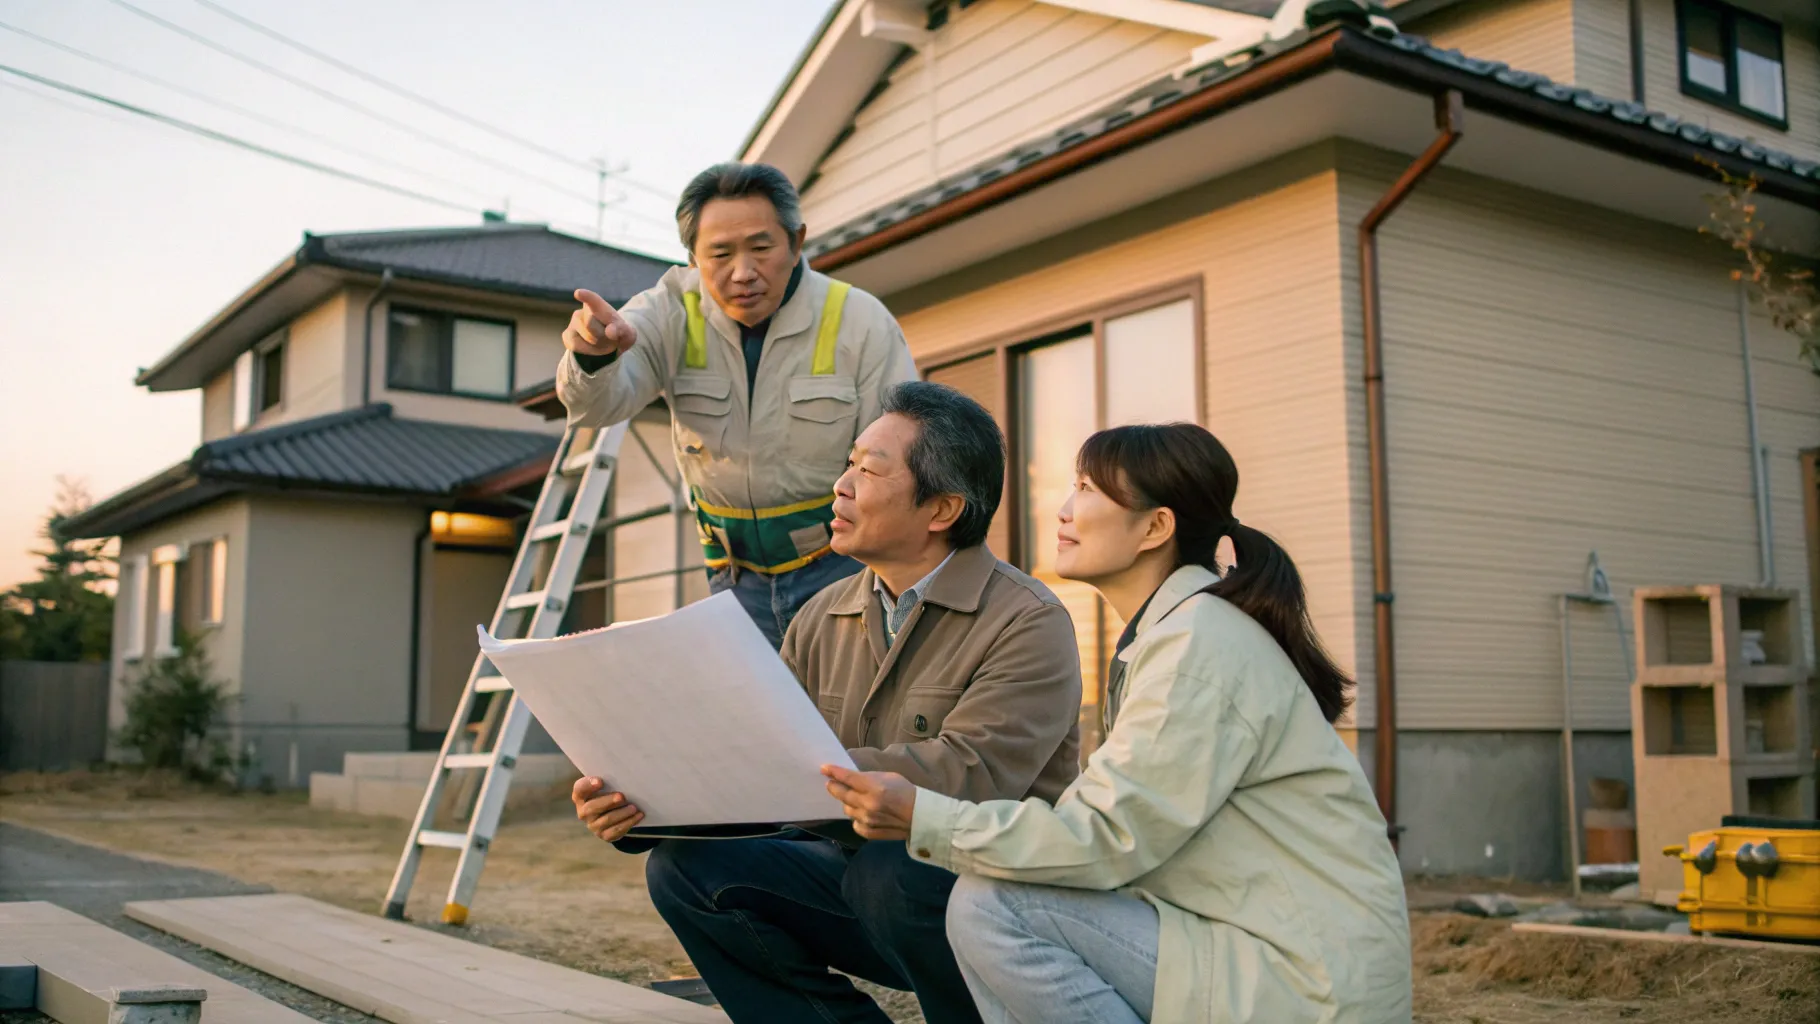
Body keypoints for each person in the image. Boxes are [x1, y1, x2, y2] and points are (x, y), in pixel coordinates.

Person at [823, 422, 1413, 1024]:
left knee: (994, 908)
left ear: (1156, 528)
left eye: (1087, 489)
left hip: (1303, 983)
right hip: (1254, 951)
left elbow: (1104, 837)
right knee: (991, 902)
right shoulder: (1176, 634)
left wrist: (923, 815)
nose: (1063, 510)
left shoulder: (1198, 647)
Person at [572, 382, 1083, 1024]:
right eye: (848, 464)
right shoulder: (820, 616)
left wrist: (784, 766)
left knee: (893, 866)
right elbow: (763, 767)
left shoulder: (1027, 620)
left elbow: (972, 778)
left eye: (868, 471)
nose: (840, 486)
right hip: (861, 887)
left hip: (992, 901)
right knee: (686, 869)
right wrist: (644, 805)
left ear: (942, 509)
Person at [559, 161, 917, 647]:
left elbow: (900, 462)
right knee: (749, 698)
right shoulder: (667, 310)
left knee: (843, 698)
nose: (743, 273)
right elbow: (595, 407)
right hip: (733, 578)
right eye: (720, 254)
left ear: (796, 242)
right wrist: (592, 354)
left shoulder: (860, 320)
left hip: (841, 571)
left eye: (761, 248)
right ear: (692, 259)